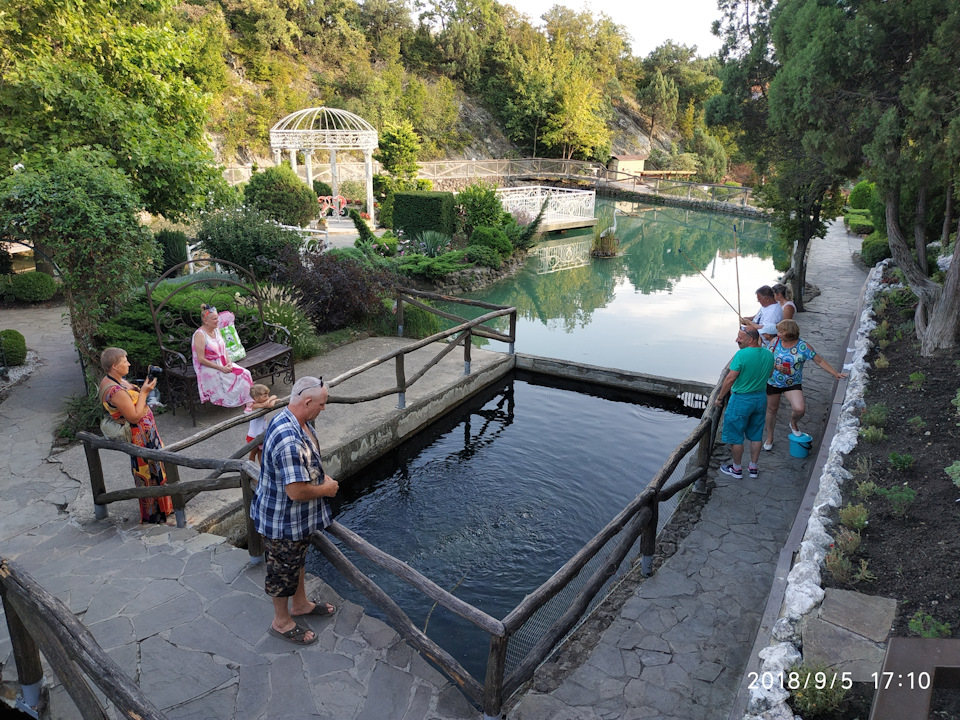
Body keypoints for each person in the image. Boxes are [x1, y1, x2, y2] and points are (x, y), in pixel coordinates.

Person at [250, 376, 340, 646]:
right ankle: (282, 621)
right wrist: (327, 489)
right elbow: (296, 492)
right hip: (283, 521)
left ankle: (300, 605)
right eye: (322, 404)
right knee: (282, 571)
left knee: (295, 562)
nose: (323, 409)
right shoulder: (290, 439)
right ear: (307, 401)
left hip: (293, 519)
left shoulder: (294, 418)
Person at [98, 347, 174, 524]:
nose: (129, 363)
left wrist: (141, 387)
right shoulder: (114, 391)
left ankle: (164, 508)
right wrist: (145, 393)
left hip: (147, 433)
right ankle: (155, 513)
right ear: (115, 366)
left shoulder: (114, 379)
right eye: (125, 361)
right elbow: (133, 416)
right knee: (148, 472)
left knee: (157, 468)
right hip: (140, 437)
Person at [762, 319, 848, 449]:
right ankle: (770, 437)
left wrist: (835, 373)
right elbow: (766, 359)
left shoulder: (803, 346)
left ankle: (793, 422)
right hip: (773, 382)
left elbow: (819, 361)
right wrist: (776, 366)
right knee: (772, 409)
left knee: (799, 409)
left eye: (781, 331)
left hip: (792, 383)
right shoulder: (775, 342)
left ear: (790, 333)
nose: (778, 334)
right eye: (778, 331)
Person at [715, 328, 775, 480]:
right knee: (756, 435)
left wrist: (720, 397)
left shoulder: (741, 355)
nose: (736, 340)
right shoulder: (769, 354)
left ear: (751, 340)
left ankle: (736, 469)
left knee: (736, 436)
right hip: (760, 398)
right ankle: (753, 468)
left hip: (741, 399)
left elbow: (730, 378)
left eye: (740, 338)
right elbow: (769, 374)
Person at [192, 304, 255, 409]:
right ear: (205, 321)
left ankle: (249, 403)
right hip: (208, 367)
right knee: (232, 376)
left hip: (222, 362)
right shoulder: (200, 335)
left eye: (217, 318)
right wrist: (221, 368)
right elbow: (201, 359)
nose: (218, 321)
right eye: (214, 319)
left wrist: (229, 361)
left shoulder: (216, 330)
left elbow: (224, 347)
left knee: (245, 373)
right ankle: (246, 404)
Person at [246, 383, 278, 463]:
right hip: (254, 435)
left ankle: (262, 469)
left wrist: (272, 398)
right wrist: (273, 400)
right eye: (265, 396)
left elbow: (274, 396)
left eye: (267, 395)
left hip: (262, 434)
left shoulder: (262, 403)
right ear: (256, 398)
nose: (267, 397)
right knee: (253, 453)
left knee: (261, 453)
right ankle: (250, 468)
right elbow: (269, 405)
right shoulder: (255, 406)